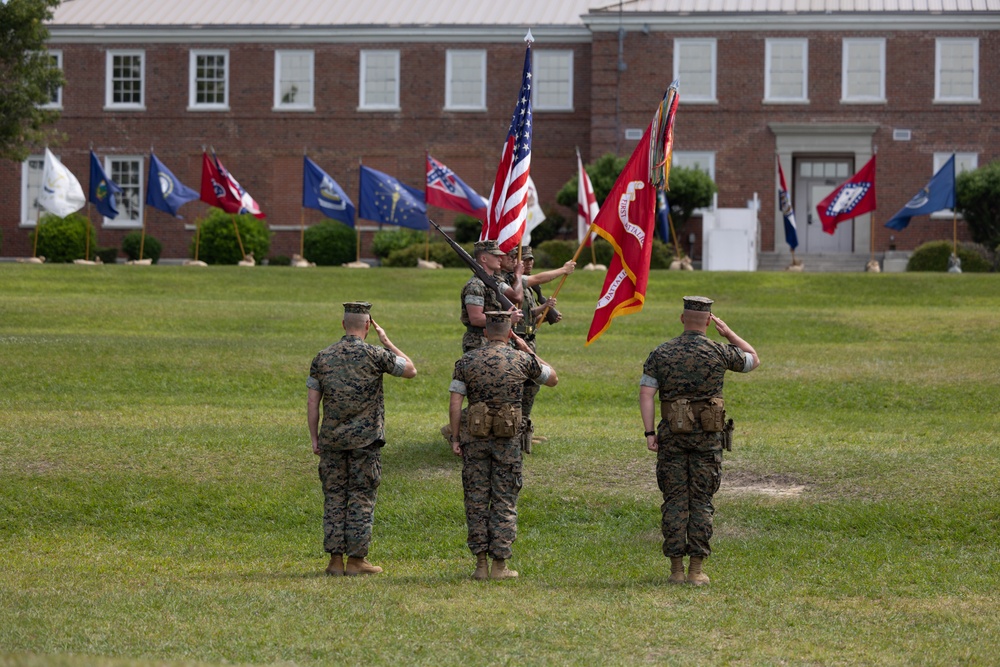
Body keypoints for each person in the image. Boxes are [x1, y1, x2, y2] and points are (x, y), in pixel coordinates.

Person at [638, 296, 759, 586]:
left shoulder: (661, 353)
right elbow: (753, 359)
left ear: (682, 319)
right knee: (702, 501)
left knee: (674, 500)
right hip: (708, 438)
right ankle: (696, 571)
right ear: (708, 321)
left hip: (672, 437)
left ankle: (676, 570)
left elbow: (646, 394)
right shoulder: (719, 350)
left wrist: (649, 434)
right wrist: (728, 333)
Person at [307, 301, 417, 576]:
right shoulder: (375, 354)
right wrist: (387, 341)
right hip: (366, 441)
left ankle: (334, 561)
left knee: (334, 498)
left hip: (332, 439)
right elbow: (410, 369)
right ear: (367, 326)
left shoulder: (323, 357)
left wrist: (314, 438)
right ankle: (356, 560)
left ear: (344, 324)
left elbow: (312, 403)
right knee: (361, 498)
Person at [448, 311, 558, 580]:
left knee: (476, 500)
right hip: (508, 441)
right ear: (510, 333)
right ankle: (500, 567)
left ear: (485, 333)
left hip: (474, 439)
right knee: (504, 499)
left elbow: (454, 402)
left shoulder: (466, 360)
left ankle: (480, 566)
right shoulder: (521, 359)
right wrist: (526, 349)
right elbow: (552, 377)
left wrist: (455, 437)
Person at [502, 245, 576, 450]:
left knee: (532, 385)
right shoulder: (511, 281)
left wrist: (544, 309)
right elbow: (537, 279)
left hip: (527, 340)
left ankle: (522, 428)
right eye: (524, 260)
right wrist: (563, 270)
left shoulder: (526, 287)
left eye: (530, 260)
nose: (528, 263)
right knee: (516, 387)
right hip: (516, 341)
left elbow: (527, 311)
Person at [460, 240, 522, 353]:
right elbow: (476, 318)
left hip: (496, 341)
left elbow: (517, 297)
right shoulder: (475, 286)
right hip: (479, 343)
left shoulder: (495, 282)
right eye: (495, 255)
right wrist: (507, 319)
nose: (500, 258)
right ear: (484, 258)